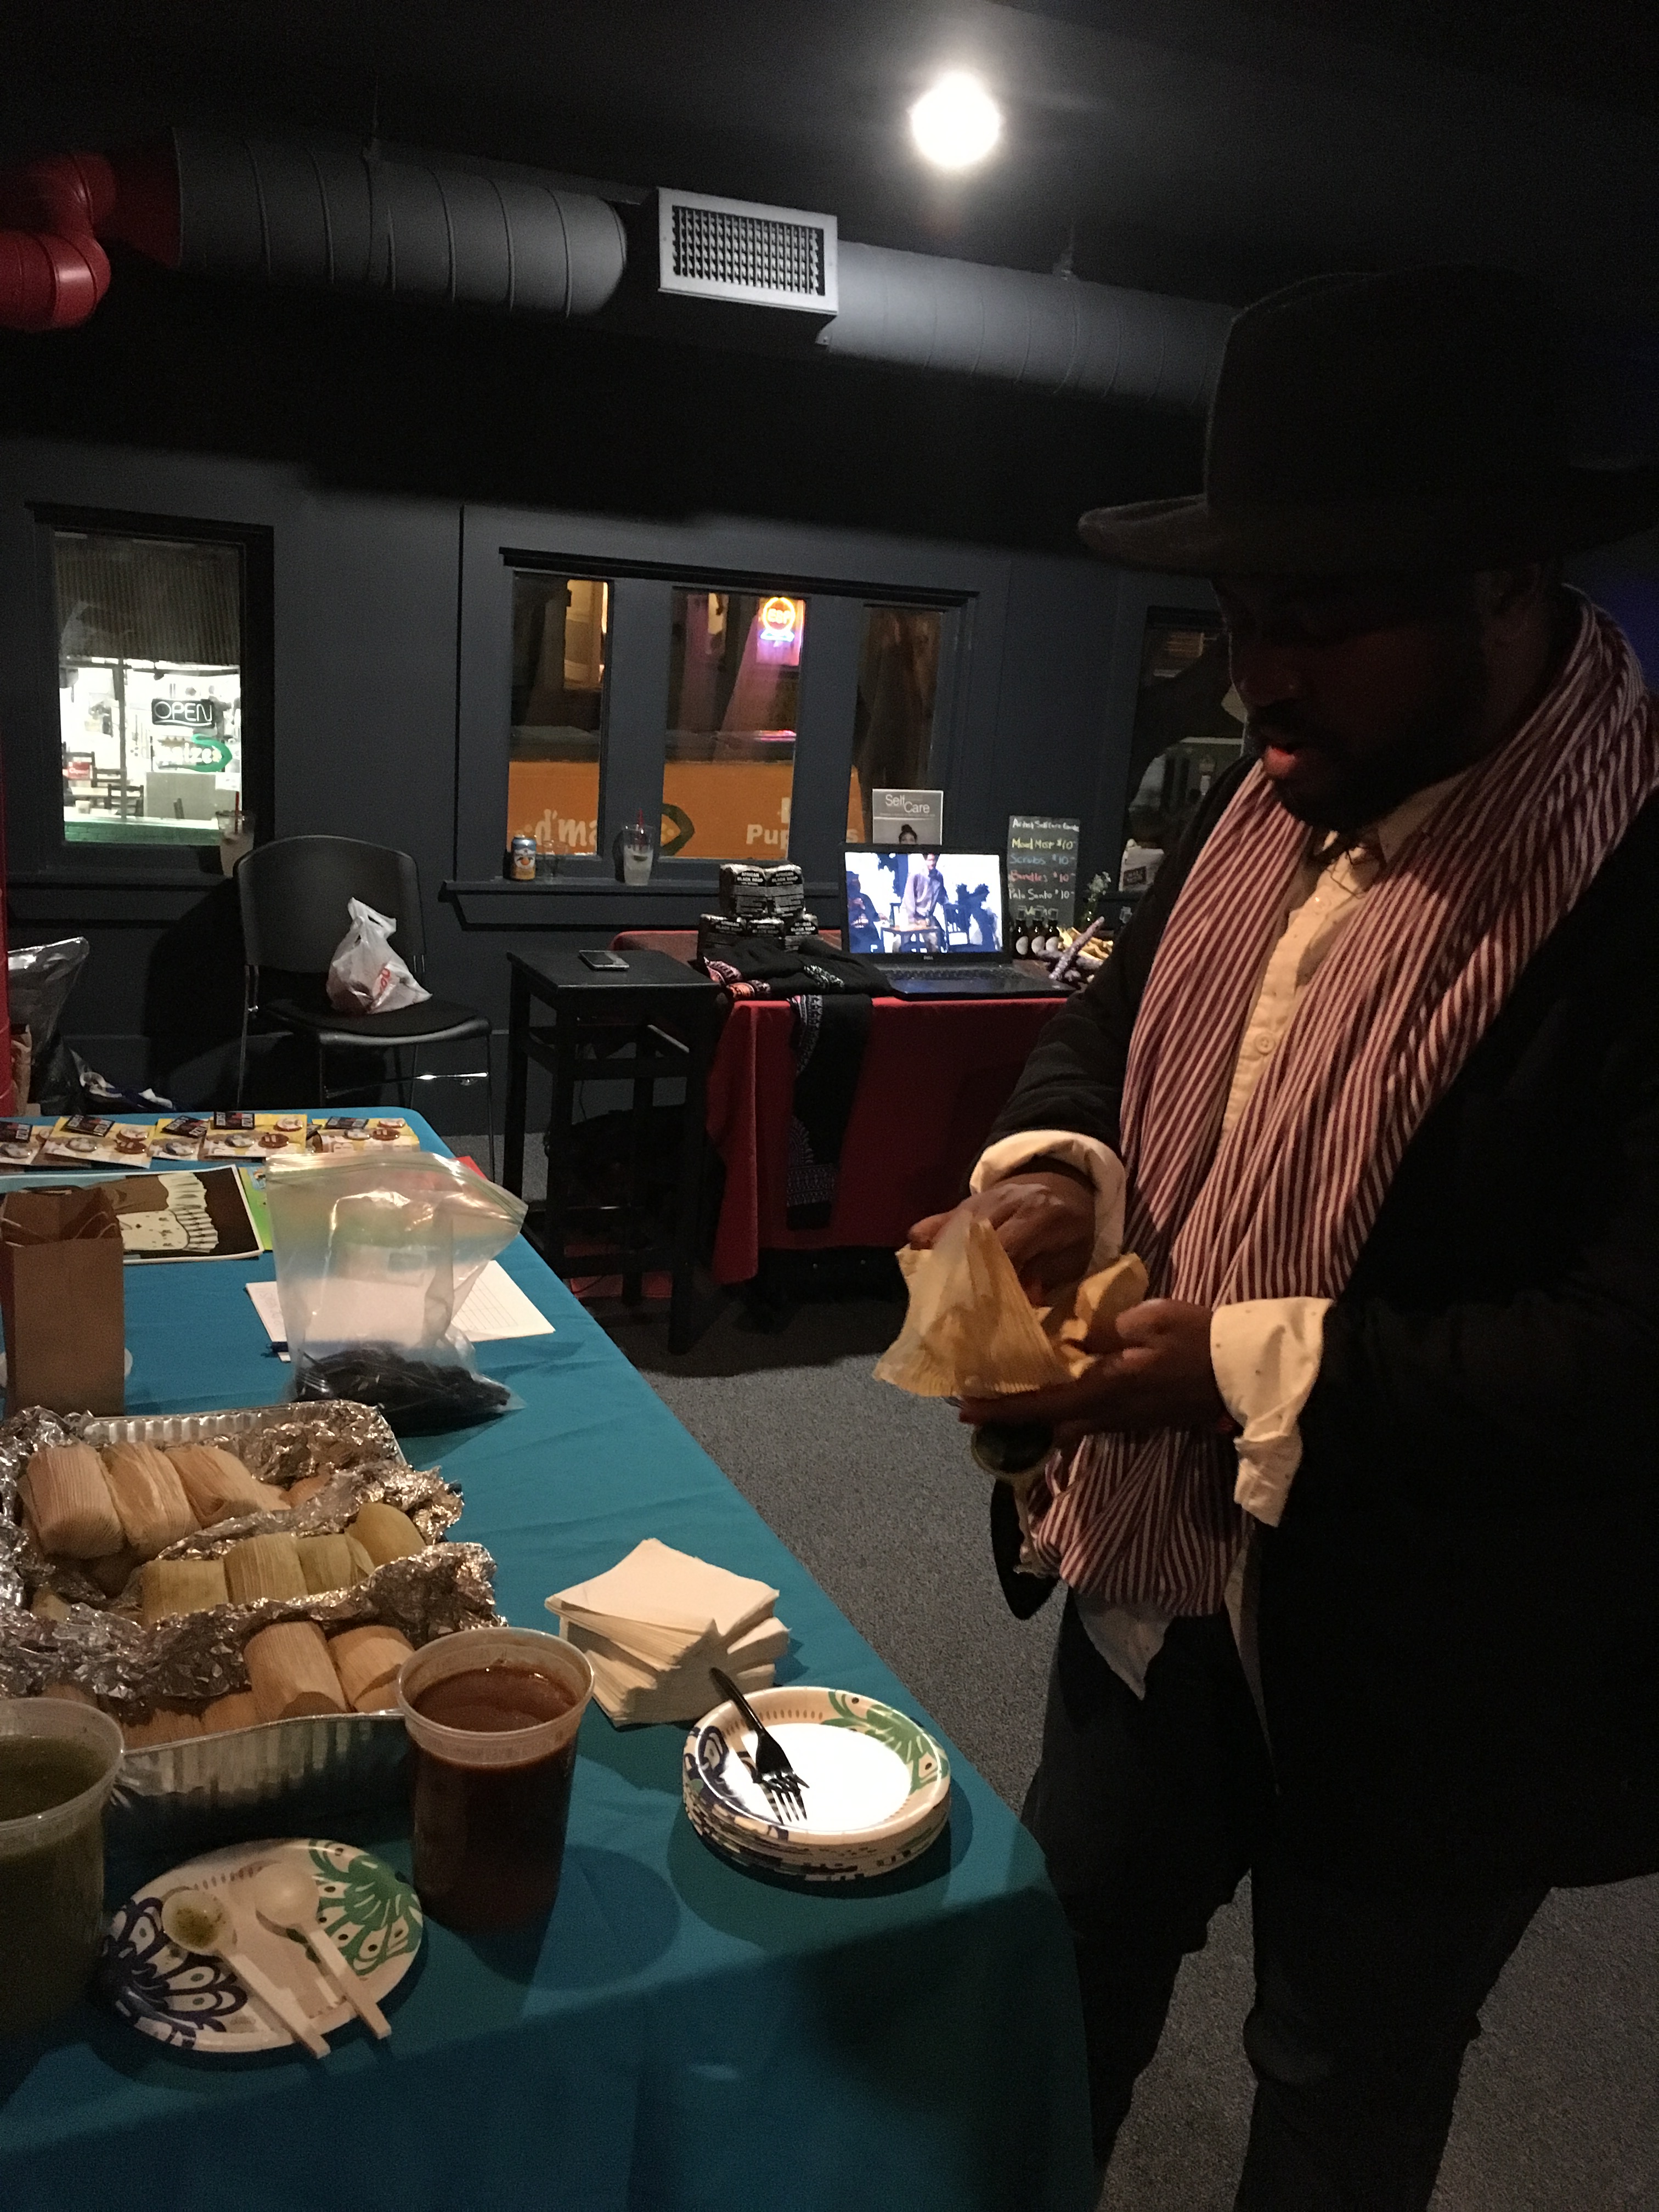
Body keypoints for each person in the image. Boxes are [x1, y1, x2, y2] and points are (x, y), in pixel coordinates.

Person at [910, 267, 1659, 2210]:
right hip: (1150, 1589)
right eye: (1241, 618)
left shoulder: (1636, 883)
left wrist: (1242, 1365)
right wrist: (1054, 1172)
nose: (1261, 678)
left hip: (1438, 1664)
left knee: (1341, 2088)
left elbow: (1624, 1349)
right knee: (1053, 1985)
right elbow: (1105, 1019)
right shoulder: (1261, 798)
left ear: (1508, 580)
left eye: (1321, 618)